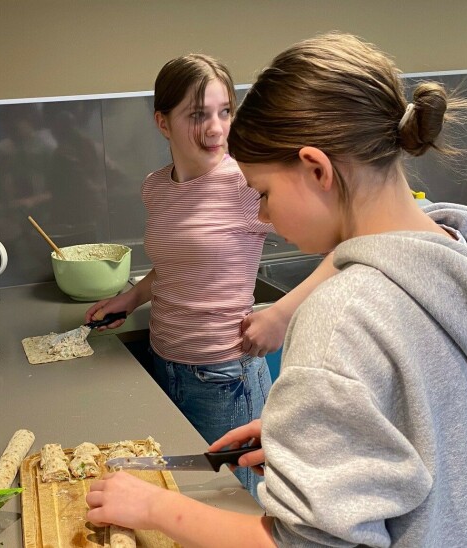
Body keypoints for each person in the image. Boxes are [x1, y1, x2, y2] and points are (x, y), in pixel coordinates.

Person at [86, 33, 467, 547]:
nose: (262, 215)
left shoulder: (341, 318)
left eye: (264, 193)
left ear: (316, 168)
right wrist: (327, 432)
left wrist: (156, 506)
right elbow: (428, 432)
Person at [84, 54, 281, 497]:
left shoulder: (248, 185)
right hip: (165, 361)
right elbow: (178, 263)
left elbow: (347, 248)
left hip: (225, 377)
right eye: (197, 115)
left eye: (224, 111)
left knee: (236, 502)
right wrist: (132, 297)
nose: (216, 128)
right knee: (188, 498)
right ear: (162, 121)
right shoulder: (157, 186)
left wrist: (283, 312)